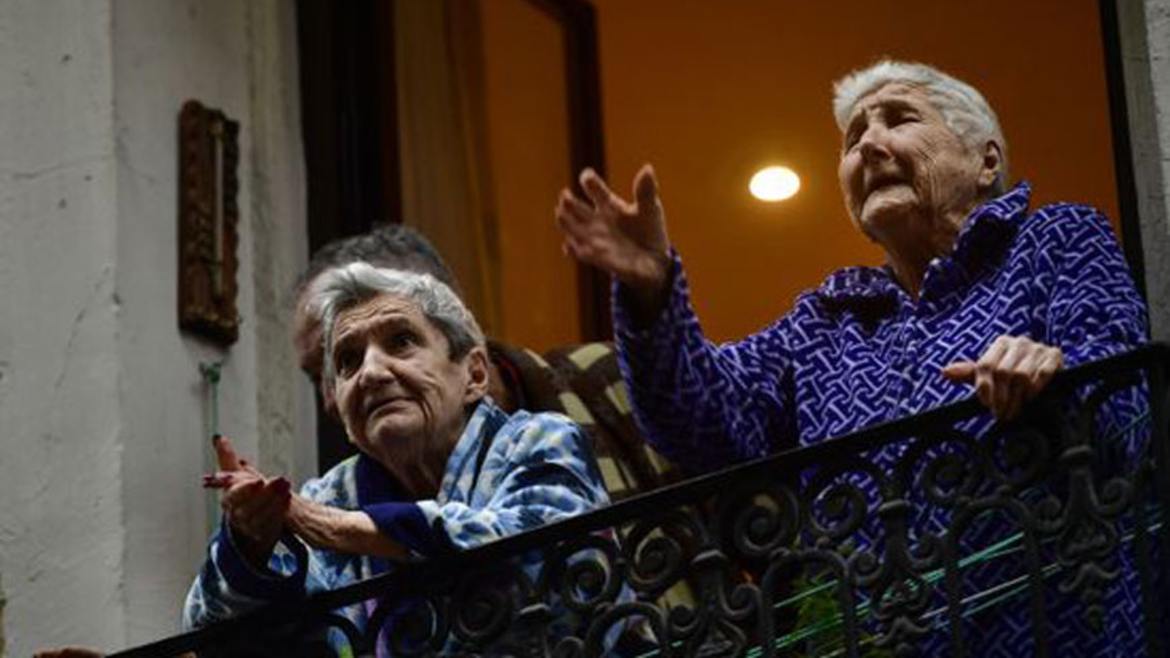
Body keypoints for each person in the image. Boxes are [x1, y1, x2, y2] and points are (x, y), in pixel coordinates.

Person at [556, 59, 1149, 655]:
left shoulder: (1055, 239)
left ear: (985, 161)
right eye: (853, 137)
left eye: (899, 118)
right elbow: (701, 420)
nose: (869, 144)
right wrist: (650, 292)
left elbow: (1127, 399)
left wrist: (1054, 368)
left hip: (1061, 632)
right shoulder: (827, 319)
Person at [183, 263, 610, 654]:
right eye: (348, 361)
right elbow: (208, 632)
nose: (370, 372)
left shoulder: (539, 440)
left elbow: (541, 549)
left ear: (474, 375)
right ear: (340, 408)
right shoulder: (329, 495)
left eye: (401, 341)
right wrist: (250, 545)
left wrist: (344, 528)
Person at [292, 224, 679, 501]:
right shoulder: (347, 494)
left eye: (400, 339)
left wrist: (655, 303)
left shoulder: (608, 378)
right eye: (340, 364)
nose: (335, 395)